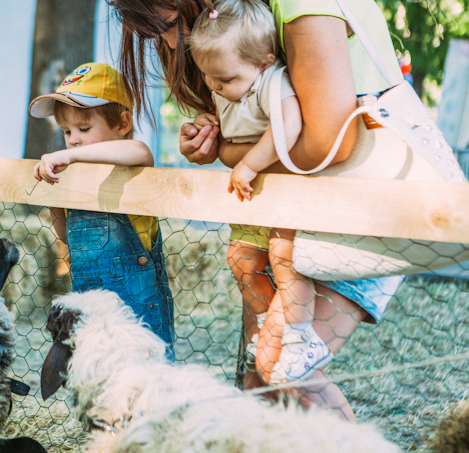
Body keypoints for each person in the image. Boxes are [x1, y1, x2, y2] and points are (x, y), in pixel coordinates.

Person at [109, 0, 404, 420]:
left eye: (172, 24)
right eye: (158, 35)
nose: (173, 45)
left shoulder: (302, 6)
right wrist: (220, 139)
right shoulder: (248, 30)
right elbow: (273, 138)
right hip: (290, 218)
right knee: (260, 387)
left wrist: (233, 152)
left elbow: (328, 142)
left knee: (278, 372)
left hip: (355, 213)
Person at [189, 0, 328, 386]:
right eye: (208, 78)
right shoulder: (231, 84)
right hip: (256, 199)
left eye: (224, 79)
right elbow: (230, 122)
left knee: (284, 257)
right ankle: (270, 323)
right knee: (241, 259)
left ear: (265, 60)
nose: (215, 87)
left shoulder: (273, 81)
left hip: (286, 190)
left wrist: (247, 164)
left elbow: (289, 124)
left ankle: (300, 336)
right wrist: (208, 124)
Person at [30, 62, 175, 360]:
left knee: (145, 379)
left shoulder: (130, 161)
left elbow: (140, 152)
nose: (73, 139)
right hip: (92, 317)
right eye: (67, 131)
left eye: (84, 128)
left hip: (137, 321)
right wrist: (55, 196)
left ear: (122, 124)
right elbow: (66, 235)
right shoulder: (74, 177)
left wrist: (69, 155)